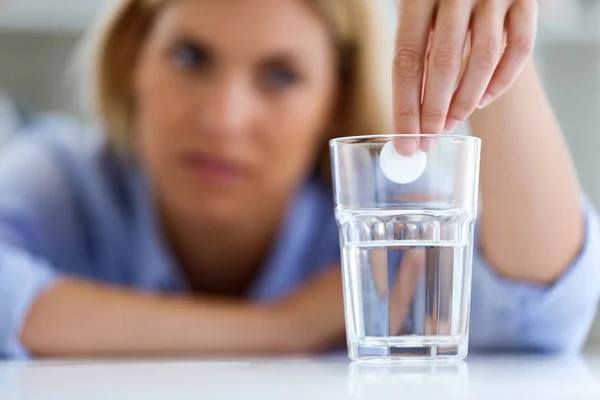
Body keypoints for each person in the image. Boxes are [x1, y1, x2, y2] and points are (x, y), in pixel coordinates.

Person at [0, 0, 597, 360]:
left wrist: (490, 49)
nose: (223, 118)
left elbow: (541, 316)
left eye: (281, 75)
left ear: (334, 103)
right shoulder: (65, 182)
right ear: (134, 59)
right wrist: (280, 327)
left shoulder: (380, 210)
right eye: (190, 58)